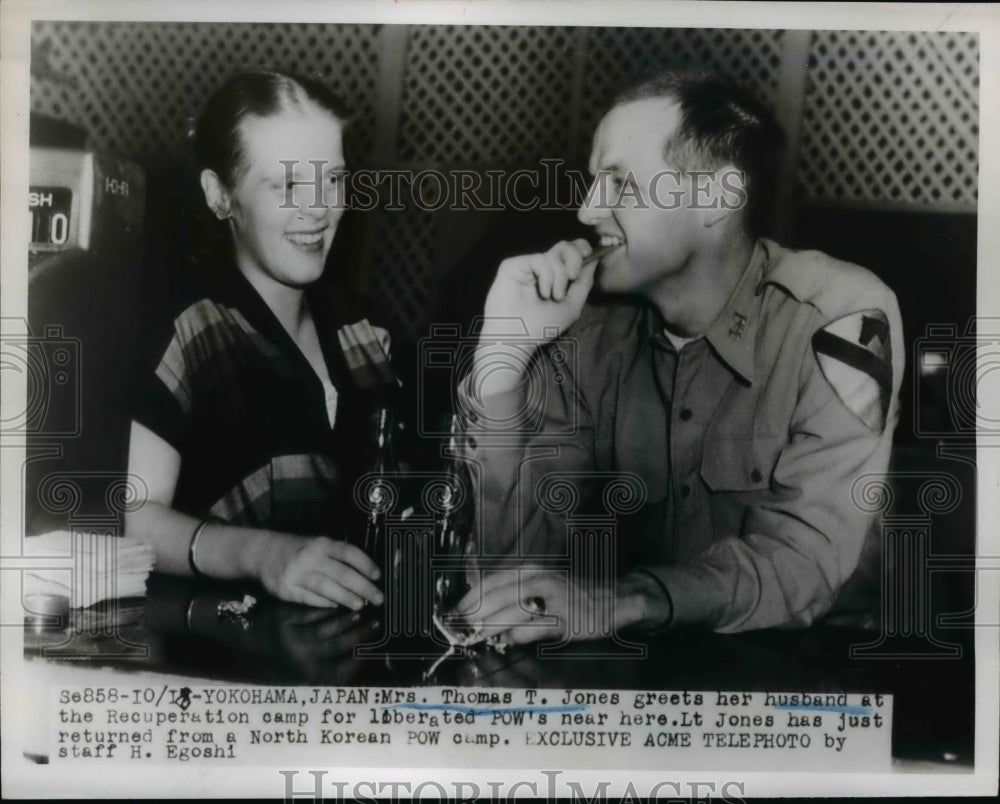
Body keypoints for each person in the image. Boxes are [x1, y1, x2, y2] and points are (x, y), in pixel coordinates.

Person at [453, 70, 903, 643]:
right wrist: (504, 358)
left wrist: (628, 599)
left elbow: (804, 563)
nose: (588, 211)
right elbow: (511, 577)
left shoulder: (839, 316)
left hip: (815, 673)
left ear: (715, 198)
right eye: (592, 183)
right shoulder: (586, 335)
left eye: (617, 182)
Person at [127, 71, 394, 609]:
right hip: (221, 662)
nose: (319, 208)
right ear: (220, 195)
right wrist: (263, 555)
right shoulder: (189, 332)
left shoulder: (366, 333)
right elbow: (135, 519)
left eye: (333, 179)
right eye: (289, 186)